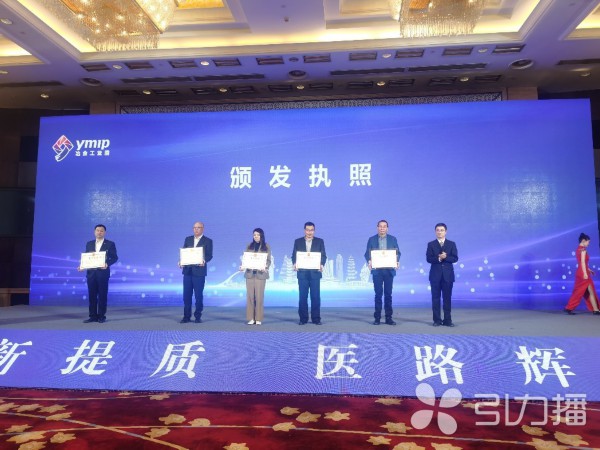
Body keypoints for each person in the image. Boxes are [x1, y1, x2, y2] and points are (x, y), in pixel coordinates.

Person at [79, 224, 118, 323]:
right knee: (92, 295)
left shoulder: (110, 244)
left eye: (101, 231)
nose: (99, 232)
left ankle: (101, 316)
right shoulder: (89, 243)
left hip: (103, 273)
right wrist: (82, 266)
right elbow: (87, 258)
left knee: (102, 295)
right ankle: (92, 316)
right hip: (91, 273)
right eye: (97, 230)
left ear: (104, 232)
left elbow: (114, 257)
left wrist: (107, 264)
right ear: (94, 232)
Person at [364, 220, 400, 325]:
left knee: (388, 295)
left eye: (384, 226)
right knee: (378, 294)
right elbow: (367, 253)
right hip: (377, 271)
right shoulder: (371, 239)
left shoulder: (393, 239)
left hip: (389, 271)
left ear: (387, 228)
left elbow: (398, 253)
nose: (382, 228)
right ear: (377, 228)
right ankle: (377, 318)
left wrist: (397, 261)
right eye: (380, 226)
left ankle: (389, 318)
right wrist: (369, 261)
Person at [292, 222, 327, 325]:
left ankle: (316, 319)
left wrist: (321, 264)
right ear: (304, 230)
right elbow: (294, 256)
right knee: (303, 297)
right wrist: (295, 264)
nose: (309, 232)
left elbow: (323, 256)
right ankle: (303, 319)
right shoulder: (297, 241)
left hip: (315, 273)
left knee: (315, 297)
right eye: (307, 230)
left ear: (314, 231)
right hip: (302, 273)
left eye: (311, 230)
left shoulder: (319, 241)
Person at [179, 221, 213, 323]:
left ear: (203, 229)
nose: (196, 229)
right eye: (194, 227)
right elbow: (184, 253)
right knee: (186, 295)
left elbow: (209, 255)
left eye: (198, 227)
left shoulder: (208, 241)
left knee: (198, 296)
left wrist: (204, 261)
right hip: (187, 271)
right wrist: (180, 261)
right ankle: (186, 316)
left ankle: (198, 316)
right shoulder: (188, 239)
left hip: (199, 272)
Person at [426, 223, 458, 327]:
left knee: (447, 298)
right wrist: (439, 258)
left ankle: (448, 320)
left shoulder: (451, 244)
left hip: (448, 276)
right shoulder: (431, 244)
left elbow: (455, 258)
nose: (439, 232)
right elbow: (428, 259)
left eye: (442, 230)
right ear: (435, 232)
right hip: (435, 276)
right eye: (438, 230)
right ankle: (437, 320)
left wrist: (446, 257)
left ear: (446, 232)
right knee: (435, 299)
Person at [564, 232, 600, 315]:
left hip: (582, 272)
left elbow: (582, 262)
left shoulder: (578, 249)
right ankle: (569, 308)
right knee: (579, 292)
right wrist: (585, 273)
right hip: (583, 273)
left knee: (587, 291)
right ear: (583, 240)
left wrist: (589, 269)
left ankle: (595, 309)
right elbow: (583, 262)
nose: (589, 244)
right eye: (588, 242)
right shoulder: (583, 250)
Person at [242, 228, 271, 325]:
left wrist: (265, 267)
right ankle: (251, 318)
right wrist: (242, 266)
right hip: (250, 274)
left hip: (260, 275)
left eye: (258, 235)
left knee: (259, 297)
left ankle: (258, 318)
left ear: (261, 236)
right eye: (254, 235)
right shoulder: (249, 246)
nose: (256, 236)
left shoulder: (266, 246)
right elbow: (245, 259)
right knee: (250, 297)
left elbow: (268, 260)